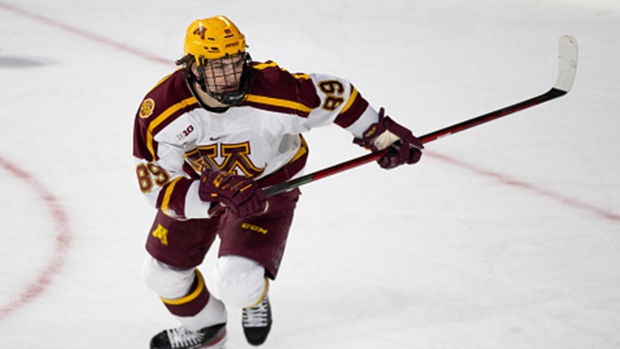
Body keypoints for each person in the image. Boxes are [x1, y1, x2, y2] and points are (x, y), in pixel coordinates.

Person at [132, 15, 423, 349]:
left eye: (235, 61)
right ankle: (207, 327)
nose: (230, 76)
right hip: (201, 188)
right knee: (160, 273)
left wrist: (379, 134)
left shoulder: (276, 89)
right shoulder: (161, 110)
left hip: (268, 188)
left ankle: (255, 298)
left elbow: (337, 96)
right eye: (216, 66)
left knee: (236, 283)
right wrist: (209, 192)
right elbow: (157, 186)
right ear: (193, 68)